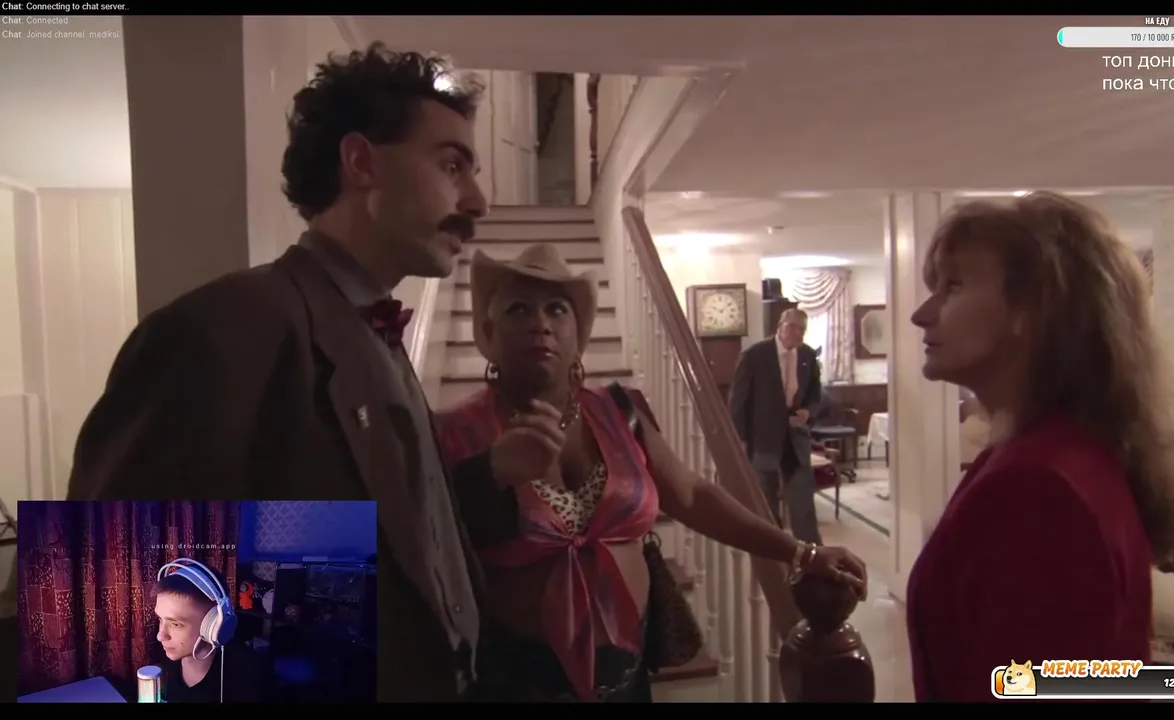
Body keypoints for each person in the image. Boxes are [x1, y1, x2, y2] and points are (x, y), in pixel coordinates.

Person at [66, 43, 492, 701]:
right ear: (361, 162)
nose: (479, 200)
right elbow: (117, 613)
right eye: (452, 164)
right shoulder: (220, 331)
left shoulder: (375, 334)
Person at [433, 244, 868, 702]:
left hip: (628, 675)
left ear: (578, 333)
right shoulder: (453, 432)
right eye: (518, 308)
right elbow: (429, 548)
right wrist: (493, 471)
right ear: (489, 332)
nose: (540, 322)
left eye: (556, 308)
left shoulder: (619, 411)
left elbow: (692, 495)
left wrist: (799, 551)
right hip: (516, 683)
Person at [905, 192, 1174, 702]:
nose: (922, 315)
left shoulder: (1037, 488)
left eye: (954, 286)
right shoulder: (1048, 453)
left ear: (1033, 309)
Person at [728, 308, 824, 545]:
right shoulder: (755, 355)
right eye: (793, 327)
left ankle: (810, 550)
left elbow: (815, 392)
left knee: (802, 497)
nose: (798, 333)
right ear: (780, 326)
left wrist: (808, 412)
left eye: (802, 329)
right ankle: (773, 547)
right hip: (764, 436)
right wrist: (740, 439)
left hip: (796, 437)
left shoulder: (807, 355)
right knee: (766, 497)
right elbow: (737, 400)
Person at [153, 564, 267, 703]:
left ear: (214, 624)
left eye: (175, 624)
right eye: (160, 619)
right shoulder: (170, 660)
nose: (160, 636)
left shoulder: (249, 675)